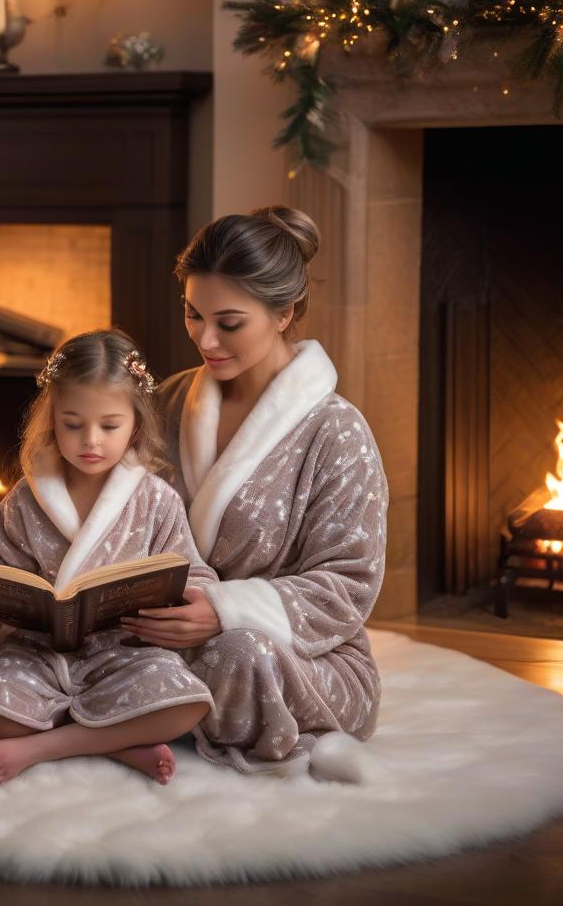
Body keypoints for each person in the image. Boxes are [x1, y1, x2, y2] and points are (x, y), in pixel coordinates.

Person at [122, 207, 389, 776]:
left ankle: (132, 715)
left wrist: (224, 610)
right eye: (193, 315)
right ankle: (145, 710)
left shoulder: (335, 431)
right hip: (160, 634)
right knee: (48, 650)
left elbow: (347, 586)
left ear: (284, 312)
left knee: (239, 656)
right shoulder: (168, 402)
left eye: (230, 322)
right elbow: (105, 511)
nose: (205, 338)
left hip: (295, 655)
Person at [0, 329, 217, 785]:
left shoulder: (156, 499)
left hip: (124, 656)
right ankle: (121, 744)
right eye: (72, 423)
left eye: (109, 426)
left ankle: (47, 746)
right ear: (51, 420)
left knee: (187, 703)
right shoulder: (26, 498)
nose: (91, 441)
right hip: (35, 654)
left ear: (136, 425)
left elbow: (193, 572)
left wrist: (184, 599)